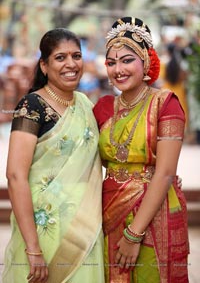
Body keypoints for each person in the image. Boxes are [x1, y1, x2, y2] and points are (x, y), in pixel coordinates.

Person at [2, 28, 105, 283]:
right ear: (44, 66)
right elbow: (15, 176)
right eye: (60, 58)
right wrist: (33, 247)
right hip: (43, 226)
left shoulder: (85, 105)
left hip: (85, 224)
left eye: (76, 56)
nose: (71, 64)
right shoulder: (32, 106)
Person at [93, 17, 189, 283]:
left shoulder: (166, 104)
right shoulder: (101, 108)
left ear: (146, 61)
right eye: (111, 62)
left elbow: (166, 172)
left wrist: (134, 234)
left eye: (127, 60)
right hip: (108, 211)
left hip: (154, 211)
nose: (117, 70)